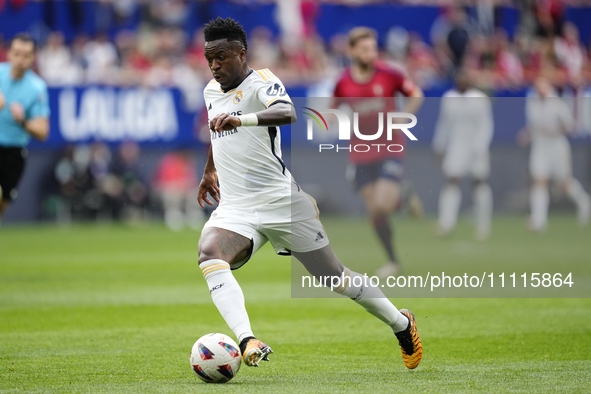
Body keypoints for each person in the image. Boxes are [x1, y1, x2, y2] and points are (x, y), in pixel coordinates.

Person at [196, 18, 422, 371]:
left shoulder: (263, 82)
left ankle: (401, 324)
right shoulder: (211, 90)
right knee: (209, 253)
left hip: (281, 202)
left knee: (336, 278)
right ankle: (246, 339)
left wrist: (242, 120)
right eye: (209, 58)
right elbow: (216, 126)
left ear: (242, 54)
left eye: (221, 57)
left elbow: (287, 113)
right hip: (236, 207)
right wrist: (210, 168)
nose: (214, 65)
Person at [332, 27, 424, 278]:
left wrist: (403, 119)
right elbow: (333, 110)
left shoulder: (389, 74)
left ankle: (401, 196)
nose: (370, 54)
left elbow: (416, 94)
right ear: (351, 51)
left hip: (389, 147)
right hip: (360, 152)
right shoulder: (343, 82)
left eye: (373, 48)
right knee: (375, 211)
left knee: (382, 205)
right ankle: (393, 260)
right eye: (364, 49)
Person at [520, 77, 590, 231]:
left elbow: (570, 126)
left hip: (556, 146)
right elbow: (533, 125)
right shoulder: (532, 103)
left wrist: (555, 130)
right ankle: (539, 219)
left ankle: (584, 202)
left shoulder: (557, 104)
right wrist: (526, 134)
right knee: (539, 180)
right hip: (540, 146)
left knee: (564, 182)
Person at [433, 70, 494, 239]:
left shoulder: (480, 99)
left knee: (479, 183)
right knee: (452, 181)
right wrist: (439, 146)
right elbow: (443, 124)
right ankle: (446, 223)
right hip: (456, 147)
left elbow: (486, 125)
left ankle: (483, 226)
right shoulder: (448, 98)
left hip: (476, 148)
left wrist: (480, 147)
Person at [0, 33, 50, 220]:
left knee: (2, 204)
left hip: (14, 153)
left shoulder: (37, 87)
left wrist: (23, 121)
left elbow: (43, 132)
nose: (20, 59)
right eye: (17, 53)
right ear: (9, 54)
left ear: (33, 57)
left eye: (26, 55)